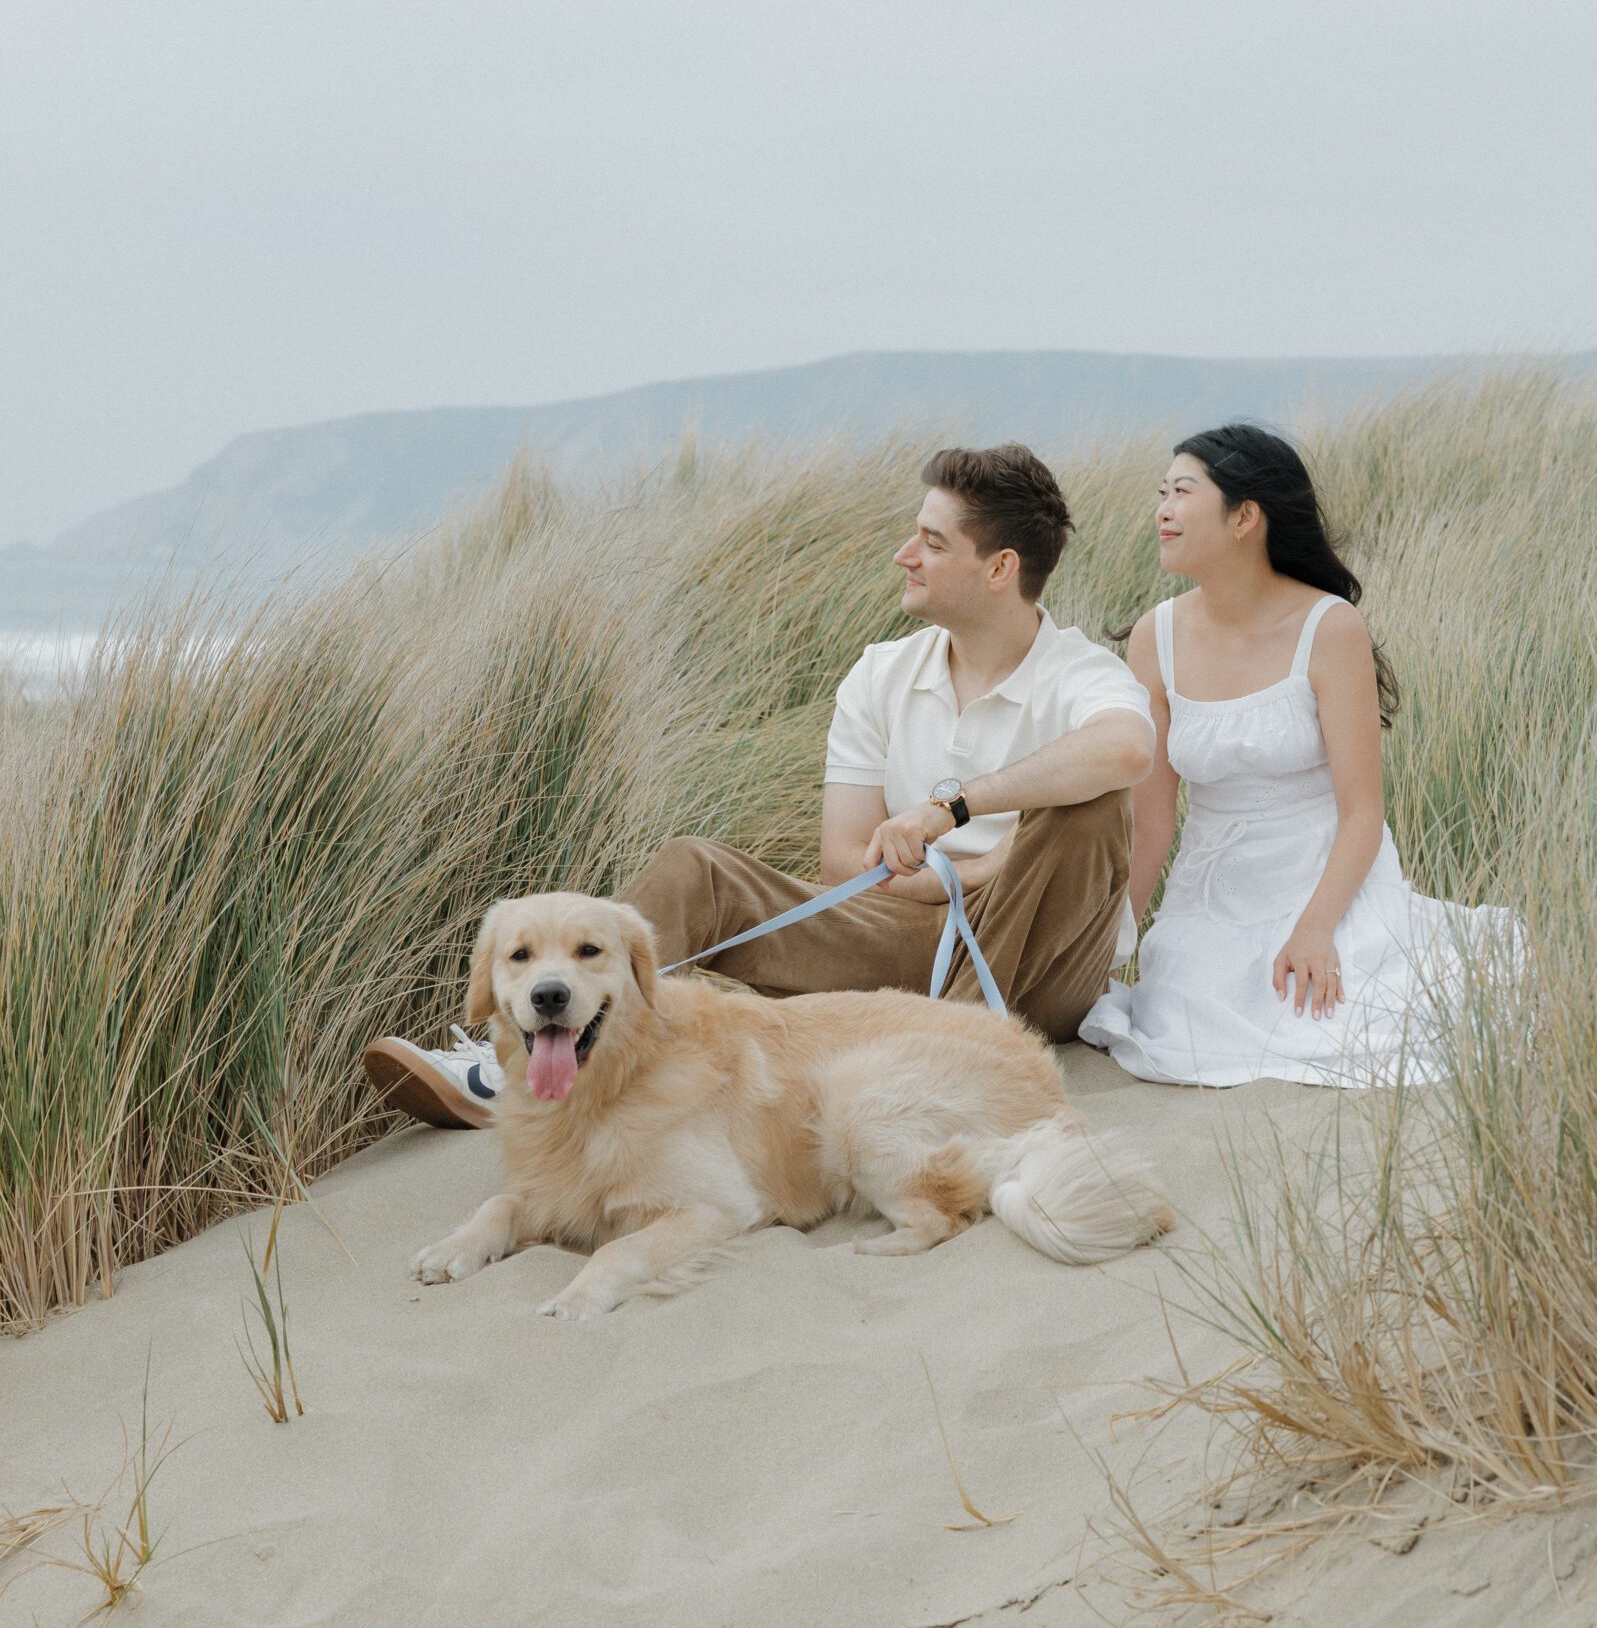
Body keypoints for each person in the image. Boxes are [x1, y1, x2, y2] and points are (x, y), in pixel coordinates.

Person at [364, 442, 1157, 1127]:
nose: (902, 555)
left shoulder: (1078, 673)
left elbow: (1126, 750)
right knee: (695, 868)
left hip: (1043, 971)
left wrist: (953, 810)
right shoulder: (882, 673)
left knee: (1086, 805)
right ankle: (531, 1056)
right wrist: (974, 872)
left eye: (930, 541)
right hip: (907, 936)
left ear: (1000, 569)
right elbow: (846, 865)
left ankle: (946, 1050)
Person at [1079, 422, 1511, 1087]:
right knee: (1181, 1031)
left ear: (1246, 516)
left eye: (1183, 493)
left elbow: (1363, 812)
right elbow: (1153, 823)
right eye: (1161, 492)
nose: (1162, 510)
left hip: (1325, 880)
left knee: (1351, 1026)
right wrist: (1110, 946)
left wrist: (1316, 930)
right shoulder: (1154, 637)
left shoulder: (1329, 627)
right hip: (1212, 896)